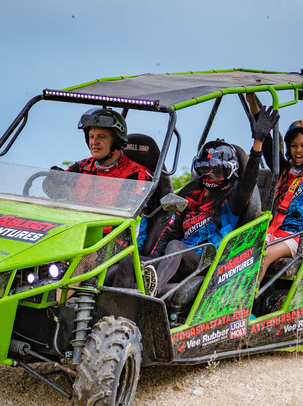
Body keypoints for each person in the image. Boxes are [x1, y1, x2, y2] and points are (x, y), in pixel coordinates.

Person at [114, 107, 280, 296]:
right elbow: (171, 231)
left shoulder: (233, 199)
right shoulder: (191, 194)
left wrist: (258, 142)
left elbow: (249, 181)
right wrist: (152, 259)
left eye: (216, 171)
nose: (209, 176)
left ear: (229, 171)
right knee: (131, 260)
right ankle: (117, 302)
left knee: (176, 246)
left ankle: (150, 294)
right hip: (178, 260)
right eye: (204, 170)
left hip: (210, 260)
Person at [246, 68, 303, 279]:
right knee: (240, 251)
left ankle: (245, 307)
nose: (299, 150)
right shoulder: (283, 171)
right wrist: (251, 102)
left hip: (299, 236)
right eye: (294, 146)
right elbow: (266, 144)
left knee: (263, 257)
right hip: (273, 232)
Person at [66, 107, 154, 249]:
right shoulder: (81, 167)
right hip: (75, 234)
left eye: (101, 137)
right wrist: (52, 182)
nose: (94, 142)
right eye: (91, 137)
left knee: (76, 263)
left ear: (117, 142)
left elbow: (127, 225)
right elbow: (55, 191)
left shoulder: (136, 175)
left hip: (114, 243)